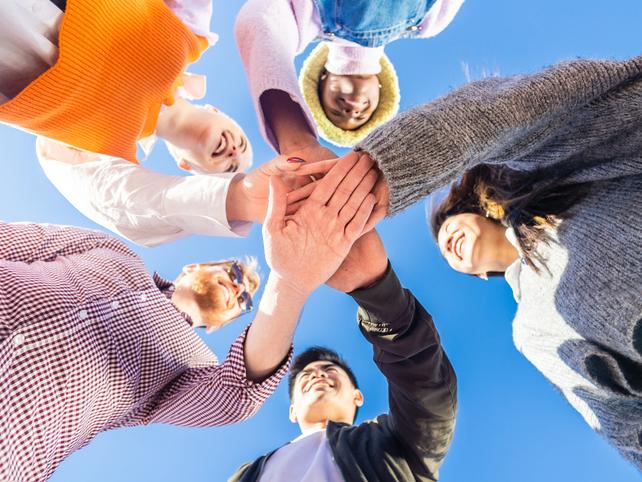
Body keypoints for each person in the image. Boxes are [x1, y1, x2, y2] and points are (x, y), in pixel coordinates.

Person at [296, 54, 642, 469]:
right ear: (479, 276)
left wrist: (380, 173)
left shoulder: (571, 173)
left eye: (446, 222)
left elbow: (538, 108)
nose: (446, 244)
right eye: (443, 253)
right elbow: (625, 423)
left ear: (478, 206)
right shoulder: (532, 330)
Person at [0, 151, 379, 481]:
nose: (237, 289)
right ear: (193, 266)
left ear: (219, 325)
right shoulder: (111, 250)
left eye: (244, 299)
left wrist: (290, 280)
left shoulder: (192, 364)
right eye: (232, 274)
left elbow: (235, 393)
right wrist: (241, 197)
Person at [229, 228, 458, 482]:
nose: (317, 373)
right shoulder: (246, 475)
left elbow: (425, 385)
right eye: (306, 374)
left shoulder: (395, 446)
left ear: (357, 397)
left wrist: (375, 288)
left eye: (329, 370)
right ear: (292, 411)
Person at [0, 0, 251, 172]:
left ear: (186, 165)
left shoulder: (111, 157)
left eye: (230, 168)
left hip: (11, 54)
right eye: (241, 143)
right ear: (216, 110)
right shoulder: (193, 39)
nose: (234, 153)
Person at [235, 0, 464, 150]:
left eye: (337, 112)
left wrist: (296, 142)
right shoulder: (430, 22)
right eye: (361, 117)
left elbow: (259, 22)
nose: (351, 112)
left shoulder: (304, 20)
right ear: (380, 95)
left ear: (322, 79)